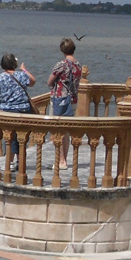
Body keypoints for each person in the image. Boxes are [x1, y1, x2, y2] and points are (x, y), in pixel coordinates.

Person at [0, 53, 35, 171]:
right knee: (22, 138)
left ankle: (9, 162)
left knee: (9, 138)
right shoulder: (21, 75)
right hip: (23, 110)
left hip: (8, 112)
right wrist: (24, 69)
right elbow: (33, 81)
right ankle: (21, 162)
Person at [47, 38, 83, 167]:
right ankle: (64, 159)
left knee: (57, 130)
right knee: (66, 131)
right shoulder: (79, 65)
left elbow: (49, 82)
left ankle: (60, 160)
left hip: (60, 99)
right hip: (73, 100)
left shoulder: (61, 65)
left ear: (62, 50)